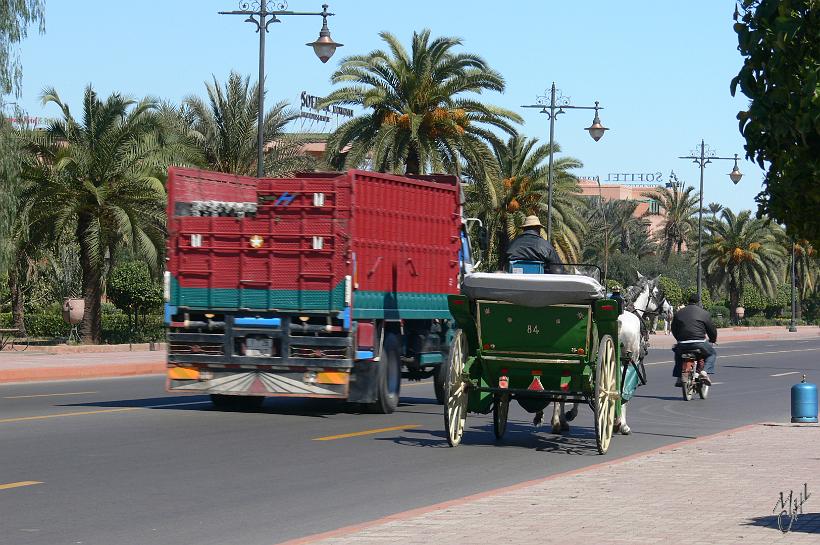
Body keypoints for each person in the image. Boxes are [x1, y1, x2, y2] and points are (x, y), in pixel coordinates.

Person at [671, 293, 717, 387]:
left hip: (683, 343)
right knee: (712, 354)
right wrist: (712, 339)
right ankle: (704, 372)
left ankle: (679, 377)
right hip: (699, 343)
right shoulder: (704, 313)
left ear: (688, 301)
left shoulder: (679, 313)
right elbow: (711, 329)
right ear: (698, 302)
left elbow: (674, 329)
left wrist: (679, 339)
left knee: (678, 355)